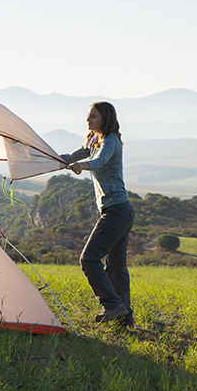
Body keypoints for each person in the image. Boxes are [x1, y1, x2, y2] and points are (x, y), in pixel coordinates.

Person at [61, 101, 135, 327]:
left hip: (117, 211)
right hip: (119, 210)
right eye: (87, 116)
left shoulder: (110, 140)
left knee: (89, 258)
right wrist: (39, 157)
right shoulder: (94, 140)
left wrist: (83, 166)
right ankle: (125, 320)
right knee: (115, 267)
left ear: (105, 118)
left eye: (92, 116)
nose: (88, 120)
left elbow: (99, 161)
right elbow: (69, 157)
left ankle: (112, 304)